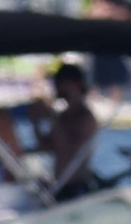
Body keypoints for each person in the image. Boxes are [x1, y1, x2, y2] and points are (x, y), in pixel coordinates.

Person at [34, 63, 99, 202]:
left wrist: (52, 118)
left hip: (76, 188)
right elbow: (45, 146)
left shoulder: (85, 118)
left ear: (75, 84)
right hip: (59, 186)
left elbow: (68, 149)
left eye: (61, 82)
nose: (57, 87)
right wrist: (35, 122)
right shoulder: (62, 117)